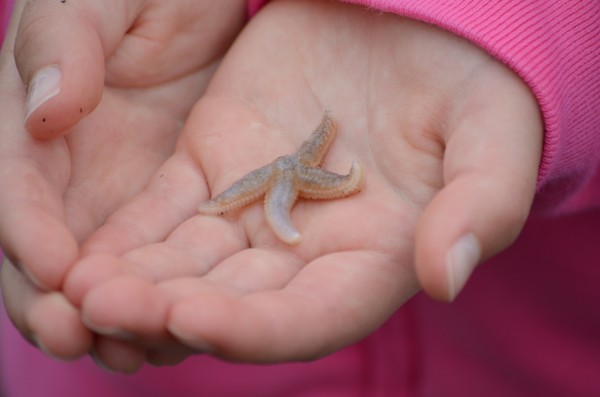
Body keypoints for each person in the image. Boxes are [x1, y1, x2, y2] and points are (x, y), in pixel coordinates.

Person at [1, 0, 599, 396]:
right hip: (140, 375)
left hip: (528, 357)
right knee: (89, 297)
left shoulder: (301, 166)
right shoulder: (287, 169)